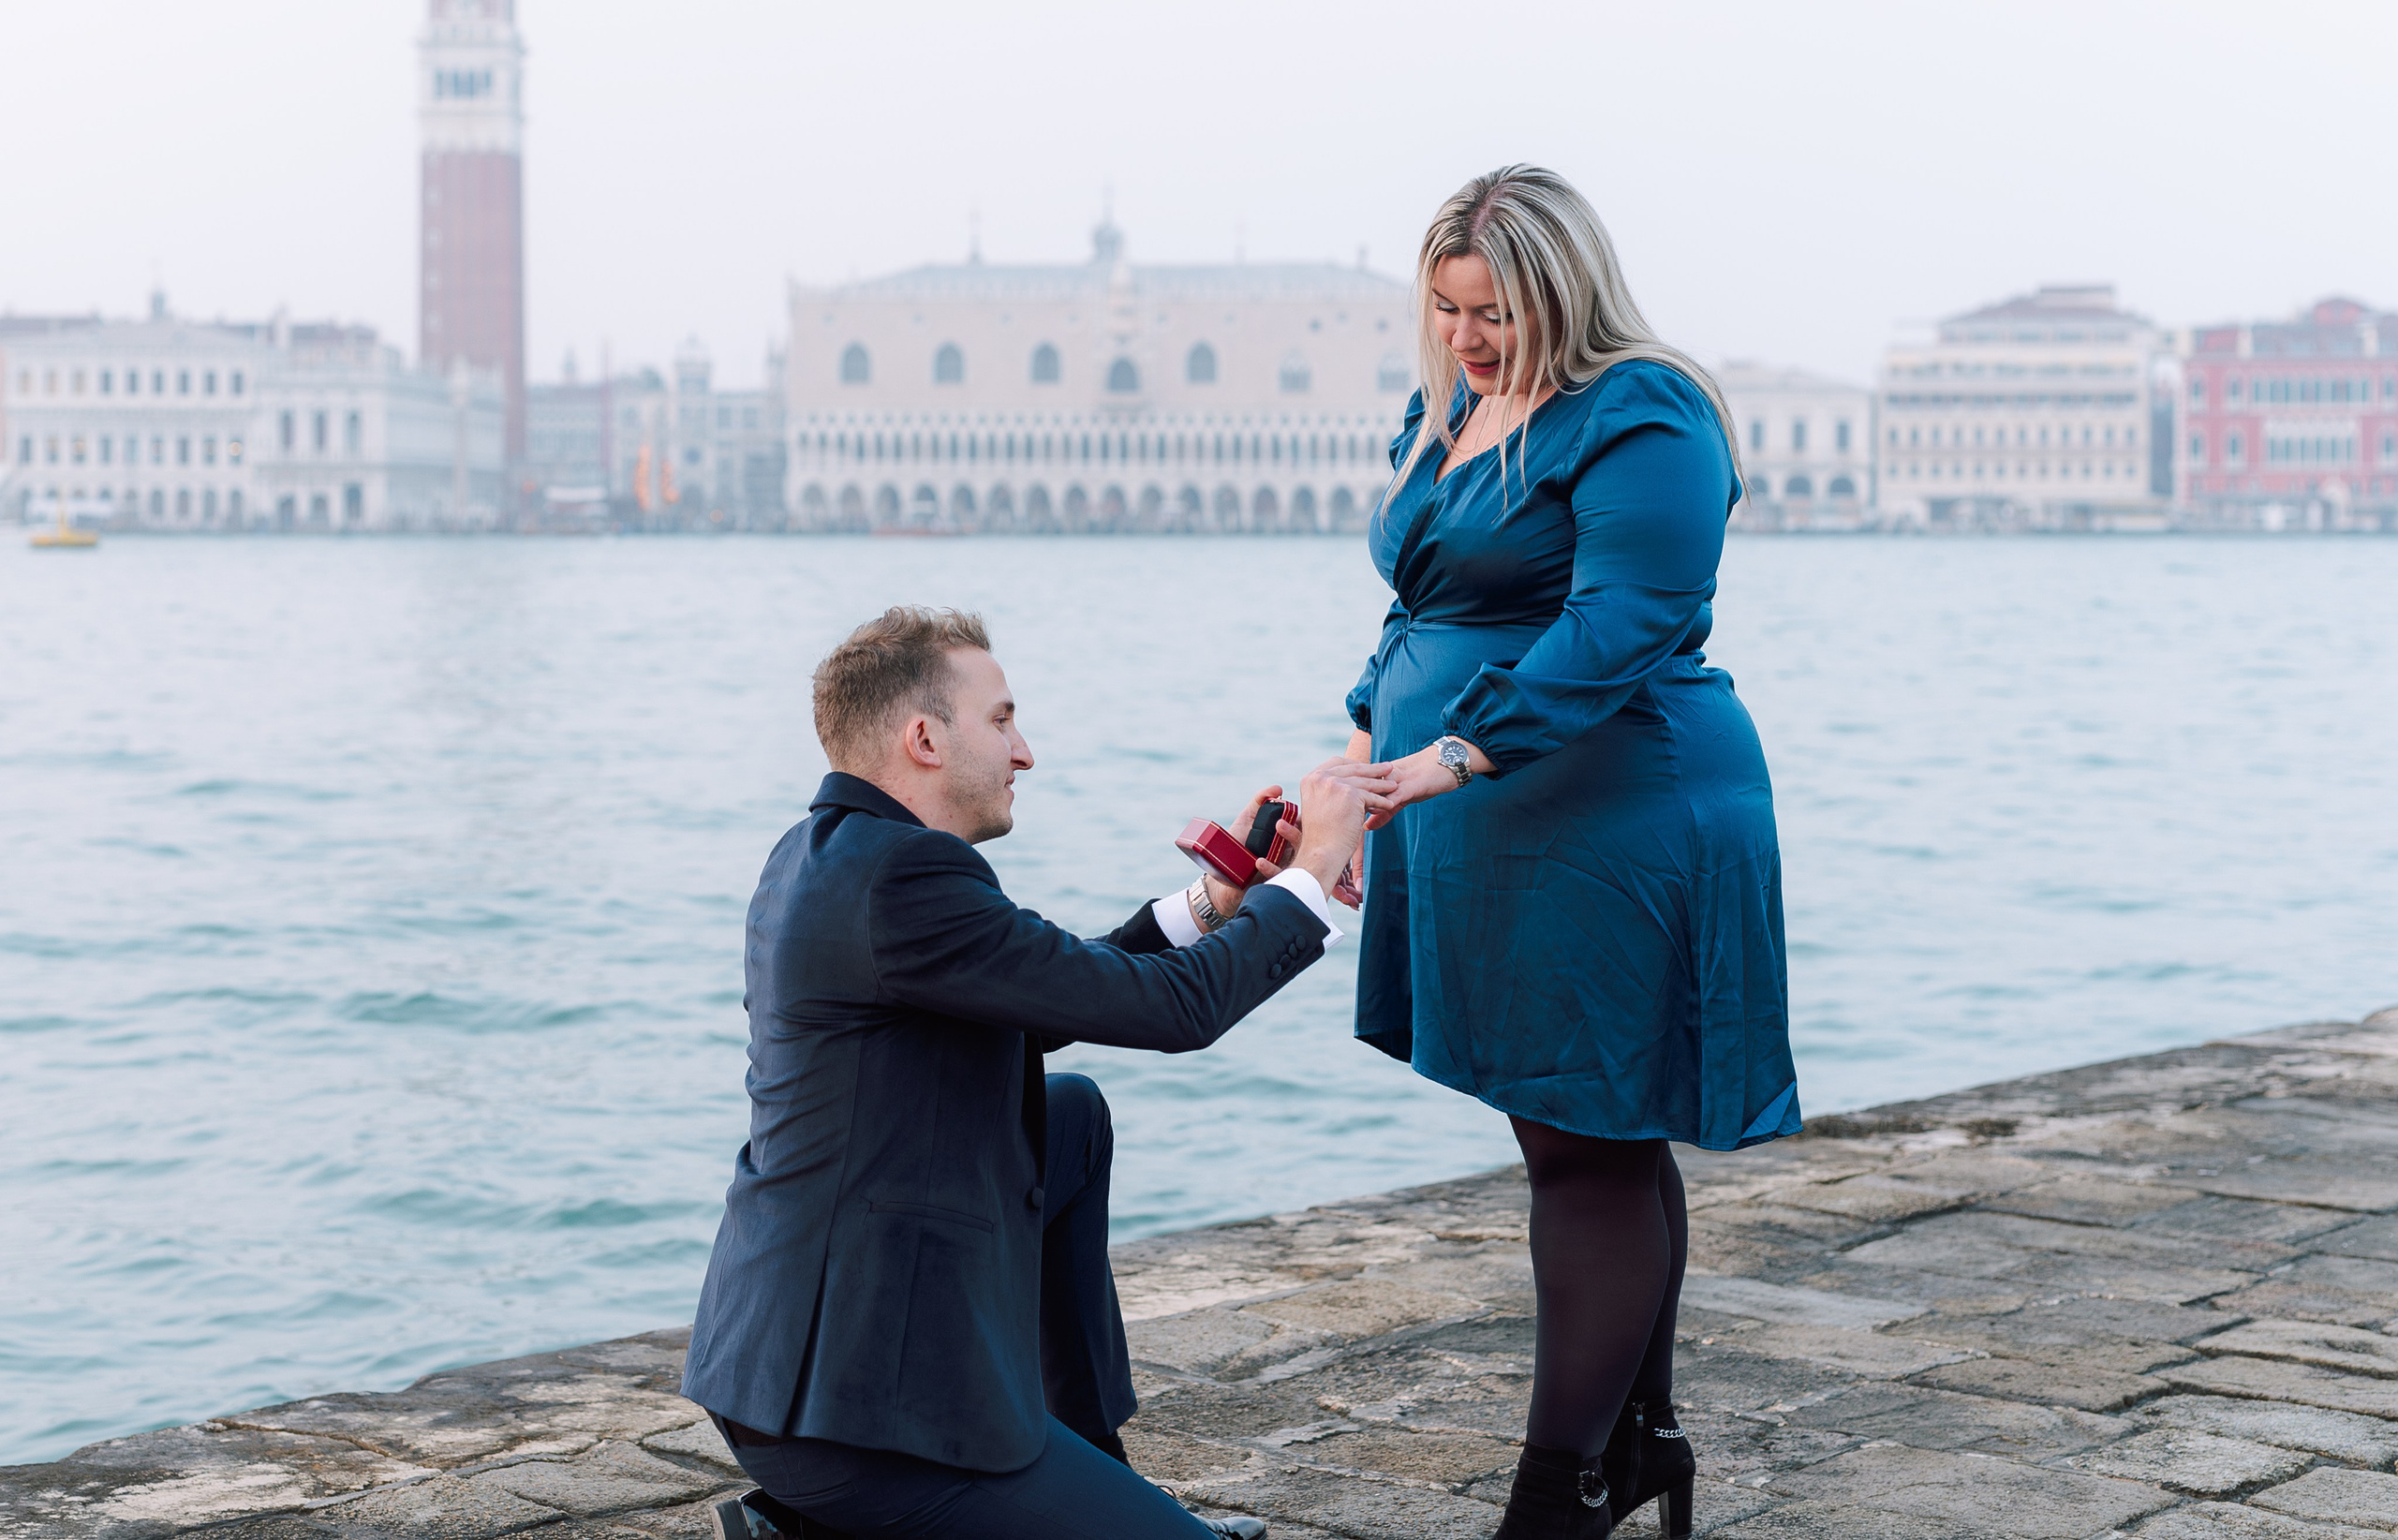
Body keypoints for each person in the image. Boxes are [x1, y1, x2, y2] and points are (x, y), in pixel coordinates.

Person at [682, 605, 1380, 1540]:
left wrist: (1217, 901)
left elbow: (1052, 992)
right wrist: (1317, 866)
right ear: (925, 739)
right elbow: (1177, 1012)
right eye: (1002, 720)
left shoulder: (833, 855)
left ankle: (1086, 1464)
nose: (1025, 752)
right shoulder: (904, 878)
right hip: (858, 1413)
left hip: (794, 1366)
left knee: (1070, 1120)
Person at [1340, 167, 1800, 1540]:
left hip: (1618, 808)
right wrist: (1357, 761)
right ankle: (1635, 1445)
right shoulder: (1446, 410)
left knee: (1587, 1142)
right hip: (1486, 811)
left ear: (1565, 293)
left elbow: (1622, 623)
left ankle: (1557, 1502)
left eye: (1495, 312)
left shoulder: (1647, 411)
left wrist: (1448, 754)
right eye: (1447, 308)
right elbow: (1418, 606)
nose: (1468, 337)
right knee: (1588, 1133)